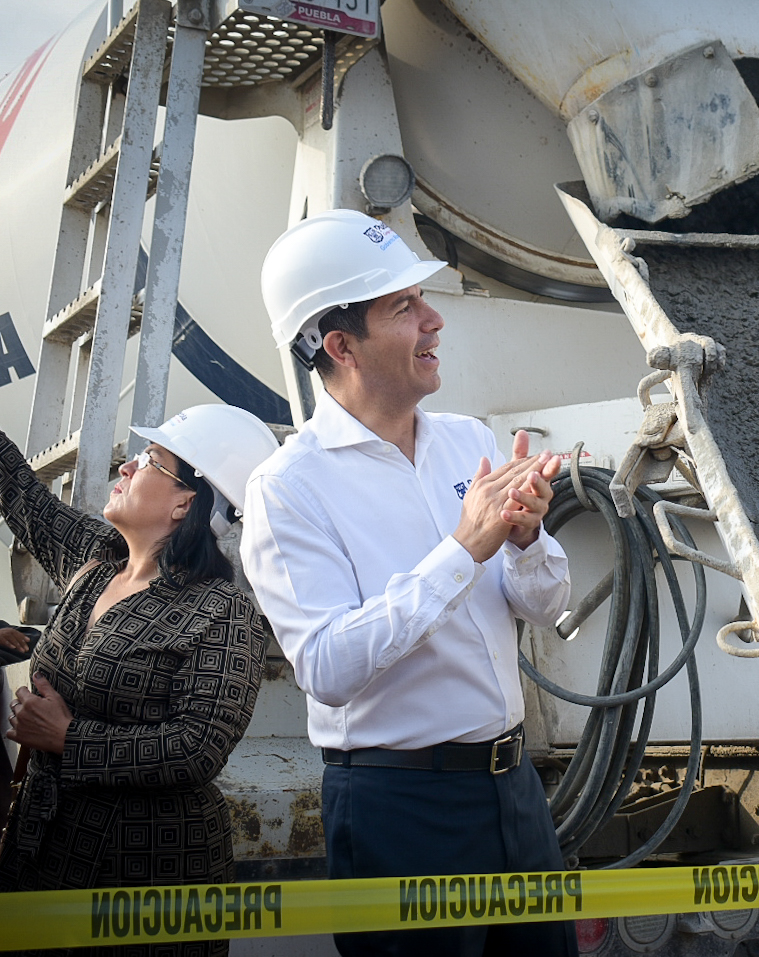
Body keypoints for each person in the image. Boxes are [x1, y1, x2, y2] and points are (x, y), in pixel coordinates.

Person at [240, 209, 575, 957]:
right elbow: (326, 668)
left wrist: (523, 541)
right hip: (399, 806)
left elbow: (545, 606)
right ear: (341, 346)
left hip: (512, 787)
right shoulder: (289, 487)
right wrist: (462, 548)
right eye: (404, 307)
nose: (434, 320)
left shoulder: (466, 438)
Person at [0, 404, 279, 957]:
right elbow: (20, 494)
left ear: (186, 502)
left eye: (150, 459)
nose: (127, 467)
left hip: (148, 879)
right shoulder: (96, 560)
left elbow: (196, 748)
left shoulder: (222, 612)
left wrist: (67, 739)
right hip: (44, 854)